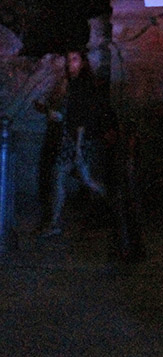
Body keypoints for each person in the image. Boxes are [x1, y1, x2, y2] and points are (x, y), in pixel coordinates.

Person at [40, 51, 110, 236]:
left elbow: (82, 119)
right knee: (63, 177)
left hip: (78, 141)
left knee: (82, 179)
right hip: (71, 140)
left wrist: (78, 148)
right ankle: (54, 223)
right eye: (68, 60)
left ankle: (116, 205)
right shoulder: (72, 83)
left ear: (83, 63)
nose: (70, 63)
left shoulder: (82, 85)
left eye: (74, 59)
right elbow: (69, 114)